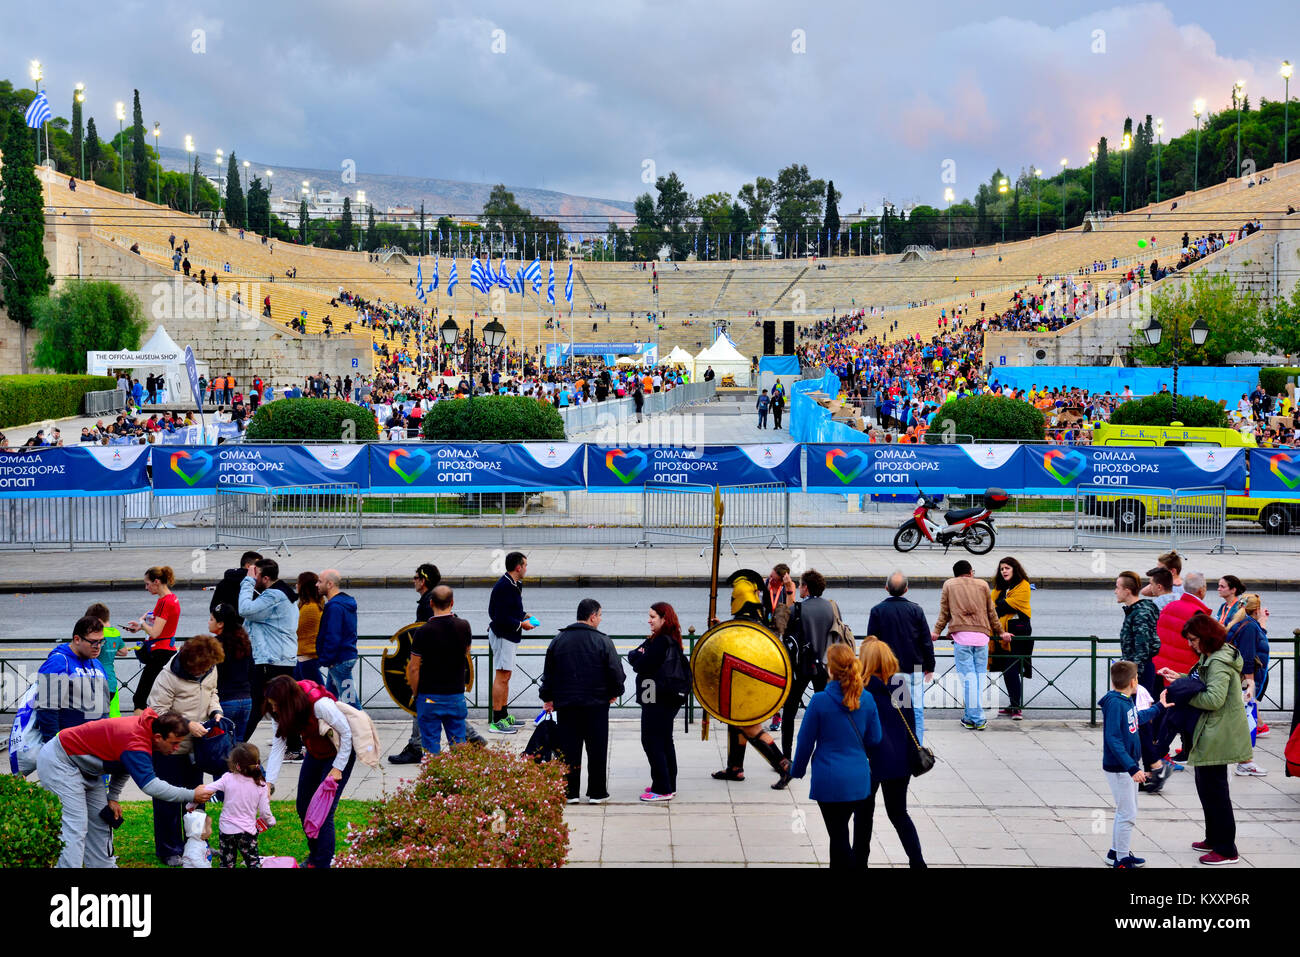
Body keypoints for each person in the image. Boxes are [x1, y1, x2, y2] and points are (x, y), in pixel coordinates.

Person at [37, 710, 214, 868]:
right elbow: (150, 786)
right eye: (174, 743)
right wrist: (191, 794)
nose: (177, 748)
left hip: (87, 767)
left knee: (100, 822)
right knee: (75, 826)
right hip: (60, 761)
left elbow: (123, 762)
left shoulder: (148, 731)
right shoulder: (136, 741)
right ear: (159, 737)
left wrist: (113, 796)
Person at [1160, 615, 1253, 865]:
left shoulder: (1219, 662)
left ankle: (1226, 849)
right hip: (1210, 731)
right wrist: (1179, 679)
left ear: (1206, 637)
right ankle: (1213, 838)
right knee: (1206, 788)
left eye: (1193, 639)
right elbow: (1199, 684)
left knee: (1215, 792)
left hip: (1217, 733)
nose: (1190, 644)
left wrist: (1182, 696)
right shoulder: (1211, 656)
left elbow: (1213, 699)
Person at [790, 644, 881, 871]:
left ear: (830, 669)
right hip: (859, 780)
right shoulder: (867, 699)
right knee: (839, 834)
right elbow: (875, 738)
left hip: (829, 780)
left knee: (838, 835)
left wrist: (797, 770)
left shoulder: (820, 701)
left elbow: (805, 741)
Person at [261, 676, 355, 869]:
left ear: (288, 701)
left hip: (338, 754)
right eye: (271, 705)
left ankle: (323, 863)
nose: (275, 710)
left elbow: (347, 733)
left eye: (277, 705)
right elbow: (278, 745)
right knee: (304, 806)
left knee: (323, 812)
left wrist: (338, 768)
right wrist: (269, 783)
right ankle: (315, 857)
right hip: (315, 752)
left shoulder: (319, 704)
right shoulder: (281, 713)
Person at [711, 569, 794, 787]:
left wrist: (719, 634)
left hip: (750, 685)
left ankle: (784, 766)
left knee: (750, 727)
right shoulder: (756, 622)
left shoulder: (745, 627)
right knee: (736, 722)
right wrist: (721, 629)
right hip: (750, 684)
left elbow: (733, 650)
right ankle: (735, 768)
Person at [147, 634, 225, 866]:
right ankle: (169, 848)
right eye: (201, 668)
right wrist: (187, 724)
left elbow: (213, 693)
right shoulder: (168, 676)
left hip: (198, 747)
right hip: (171, 748)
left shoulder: (211, 670)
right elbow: (157, 710)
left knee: (196, 798)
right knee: (167, 801)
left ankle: (197, 844)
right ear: (191, 664)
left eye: (209, 668)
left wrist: (215, 712)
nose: (205, 671)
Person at [540, 599, 625, 803]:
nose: (600, 619)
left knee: (569, 749)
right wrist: (615, 692)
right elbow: (616, 672)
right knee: (597, 749)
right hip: (596, 705)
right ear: (592, 616)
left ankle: (570, 792)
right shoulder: (603, 641)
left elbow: (548, 674)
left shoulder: (558, 640)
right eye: (600, 615)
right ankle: (597, 792)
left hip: (567, 706)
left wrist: (548, 698)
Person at [858, 638, 926, 867]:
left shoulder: (862, 688)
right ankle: (917, 862)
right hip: (899, 760)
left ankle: (860, 862)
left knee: (863, 815)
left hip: (871, 759)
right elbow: (910, 721)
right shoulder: (899, 684)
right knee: (899, 814)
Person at [1100, 661, 1161, 869]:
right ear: (1134, 681)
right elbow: (1113, 739)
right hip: (1122, 768)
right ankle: (1122, 860)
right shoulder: (1118, 704)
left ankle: (1115, 852)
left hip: (1125, 766)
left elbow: (1137, 718)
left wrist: (1159, 707)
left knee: (1124, 811)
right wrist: (1132, 768)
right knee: (1128, 814)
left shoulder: (1123, 701)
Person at [628, 602, 689, 801]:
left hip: (658, 696)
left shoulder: (661, 641)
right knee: (664, 740)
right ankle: (668, 783)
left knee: (651, 740)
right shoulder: (666, 639)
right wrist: (639, 655)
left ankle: (662, 789)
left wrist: (640, 656)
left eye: (653, 617)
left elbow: (640, 664)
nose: (649, 620)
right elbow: (633, 655)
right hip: (662, 696)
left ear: (664, 619)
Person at [1114, 571, 1169, 791]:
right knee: (1139, 722)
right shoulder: (1136, 611)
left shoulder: (1140, 613)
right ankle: (1151, 769)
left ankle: (1156, 766)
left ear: (1127, 591)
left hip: (1140, 674)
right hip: (1138, 672)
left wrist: (1131, 676)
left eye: (1117, 587)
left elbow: (1144, 647)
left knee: (1139, 721)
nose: (1115, 591)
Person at [867, 572, 935, 743]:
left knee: (899, 710)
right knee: (917, 709)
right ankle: (917, 745)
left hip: (892, 669)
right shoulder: (916, 610)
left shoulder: (877, 611)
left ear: (886, 588)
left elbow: (872, 642)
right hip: (916, 667)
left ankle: (902, 744)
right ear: (906, 589)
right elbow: (926, 641)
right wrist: (930, 665)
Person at [777, 570, 838, 760]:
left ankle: (786, 755)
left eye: (801, 585)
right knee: (825, 711)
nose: (800, 587)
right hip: (823, 665)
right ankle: (824, 752)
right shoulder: (830, 607)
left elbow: (783, 629)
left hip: (801, 666)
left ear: (806, 588)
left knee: (790, 710)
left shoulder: (798, 609)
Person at [933, 560, 1001, 730]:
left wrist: (936, 631)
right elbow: (991, 612)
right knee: (977, 680)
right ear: (970, 572)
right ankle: (969, 717)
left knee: (969, 681)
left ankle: (978, 719)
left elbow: (945, 612)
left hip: (962, 637)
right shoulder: (983, 585)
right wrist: (1000, 632)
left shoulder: (949, 585)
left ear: (955, 573)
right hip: (982, 637)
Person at [406, 585, 472, 753]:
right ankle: (458, 778)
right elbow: (466, 655)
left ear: (431, 603)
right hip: (455, 695)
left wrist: (416, 693)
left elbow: (414, 668)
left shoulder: (422, 632)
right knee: (459, 745)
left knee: (430, 746)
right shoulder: (464, 626)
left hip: (429, 697)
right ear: (452, 602)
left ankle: (432, 777)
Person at [238, 558, 299, 741]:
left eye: (254, 575)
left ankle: (237, 746)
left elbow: (245, 609)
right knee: (279, 706)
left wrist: (247, 583)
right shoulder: (282, 593)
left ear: (265, 578)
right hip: (277, 657)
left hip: (272, 659)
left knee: (258, 705)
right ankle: (295, 746)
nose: (251, 578)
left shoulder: (274, 596)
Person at [392, 562, 444, 764]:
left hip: (429, 664)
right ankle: (473, 739)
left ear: (423, 581)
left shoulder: (427, 605)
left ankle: (415, 747)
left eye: (415, 577)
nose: (413, 581)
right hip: (437, 664)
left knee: (421, 704)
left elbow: (425, 635)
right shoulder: (431, 600)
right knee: (443, 705)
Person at [35, 616, 111, 746]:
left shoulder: (97, 663)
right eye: (93, 642)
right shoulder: (58, 662)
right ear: (77, 639)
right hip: (70, 747)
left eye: (101, 642)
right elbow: (46, 707)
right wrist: (53, 745)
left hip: (96, 743)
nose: (98, 647)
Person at [487, 551, 535, 733]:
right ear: (518, 567)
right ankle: (496, 720)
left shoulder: (513, 583)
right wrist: (521, 624)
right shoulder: (505, 586)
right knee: (502, 676)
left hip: (508, 636)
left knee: (506, 676)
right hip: (503, 636)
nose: (526, 568)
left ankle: (504, 715)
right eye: (525, 565)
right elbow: (498, 615)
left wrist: (524, 616)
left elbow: (511, 609)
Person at [207, 743, 275, 868]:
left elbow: (207, 789)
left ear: (236, 765)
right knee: (252, 863)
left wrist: (192, 802)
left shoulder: (227, 778)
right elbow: (265, 812)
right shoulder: (261, 785)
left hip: (226, 830)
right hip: (247, 832)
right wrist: (270, 821)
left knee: (226, 863)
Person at [124, 566, 181, 712]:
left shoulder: (164, 602)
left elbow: (155, 632)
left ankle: (139, 733)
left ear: (156, 582)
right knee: (161, 698)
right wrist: (139, 627)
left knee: (140, 698)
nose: (146, 587)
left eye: (147, 583)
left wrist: (142, 622)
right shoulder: (172, 598)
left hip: (159, 653)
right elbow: (161, 627)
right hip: (167, 651)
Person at [1226, 594, 1270, 775]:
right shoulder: (1250, 627)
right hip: (1246, 681)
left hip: (1240, 680)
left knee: (1243, 721)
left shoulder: (1245, 623)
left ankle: (1244, 760)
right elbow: (1248, 656)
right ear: (1256, 609)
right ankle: (1245, 762)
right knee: (1245, 722)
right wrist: (1250, 685)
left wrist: (1263, 623)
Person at [989, 557, 1032, 720]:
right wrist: (996, 608)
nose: (1004, 571)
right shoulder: (1000, 588)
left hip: (1018, 631)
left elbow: (1004, 607)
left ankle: (1016, 707)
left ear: (1015, 569)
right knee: (1007, 669)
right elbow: (992, 607)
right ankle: (1013, 704)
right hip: (1001, 632)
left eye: (1007, 568)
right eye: (1001, 569)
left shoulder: (1024, 586)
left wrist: (997, 608)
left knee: (1012, 668)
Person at [210, 603, 254, 743]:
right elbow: (251, 669)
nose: (209, 622)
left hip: (225, 699)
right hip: (246, 699)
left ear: (220, 624)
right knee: (239, 748)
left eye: (211, 619)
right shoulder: (244, 641)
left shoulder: (215, 644)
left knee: (221, 747)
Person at [316, 569, 359, 706]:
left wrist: (326, 659)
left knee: (351, 704)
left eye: (320, 581)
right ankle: (331, 725)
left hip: (339, 661)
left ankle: (361, 727)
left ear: (330, 584)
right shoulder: (345, 603)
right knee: (330, 700)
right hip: (342, 658)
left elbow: (333, 636)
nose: (317, 585)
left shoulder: (334, 607)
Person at [87, 603, 128, 717]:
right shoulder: (115, 633)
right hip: (111, 680)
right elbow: (124, 651)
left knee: (94, 718)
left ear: (98, 621)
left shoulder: (97, 635)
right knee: (113, 715)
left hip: (97, 680)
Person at [211, 551, 261, 624]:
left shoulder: (224, 582)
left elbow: (214, 606)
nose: (261, 570)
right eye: (259, 567)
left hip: (226, 626)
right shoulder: (254, 585)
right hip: (247, 626)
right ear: (248, 566)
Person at [295, 571, 325, 686]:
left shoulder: (309, 608)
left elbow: (297, 630)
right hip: (305, 656)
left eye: (298, 583)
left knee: (318, 694)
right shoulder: (312, 605)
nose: (296, 586)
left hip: (307, 657)